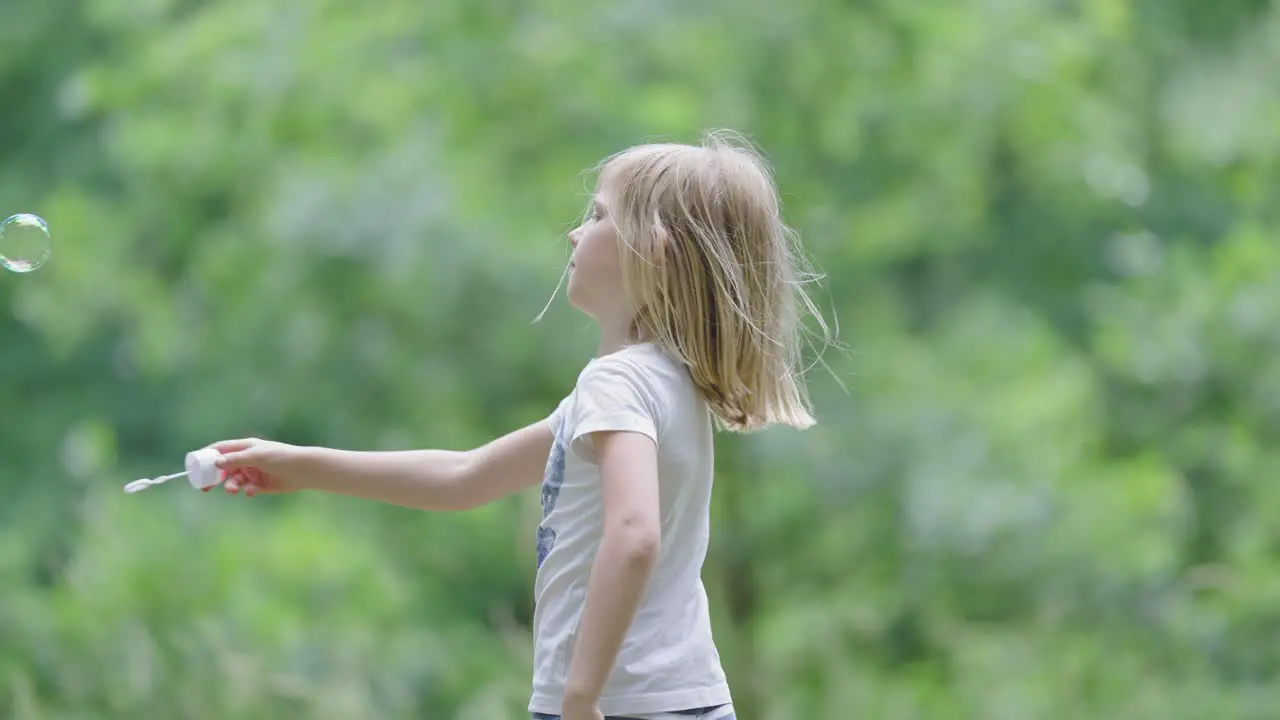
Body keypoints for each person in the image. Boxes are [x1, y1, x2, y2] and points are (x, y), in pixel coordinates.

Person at [206, 129, 831, 720]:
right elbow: (465, 475)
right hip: (679, 697)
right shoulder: (662, 383)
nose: (573, 233)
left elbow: (635, 533)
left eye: (597, 216)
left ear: (655, 249)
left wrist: (581, 694)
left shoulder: (618, 386)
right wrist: (300, 464)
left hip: (623, 703)